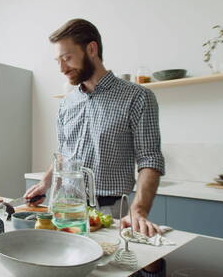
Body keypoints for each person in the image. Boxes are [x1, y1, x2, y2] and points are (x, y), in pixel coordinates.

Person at [24, 19, 166, 275]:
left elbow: (150, 158)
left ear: (91, 49)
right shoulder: (67, 104)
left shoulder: (138, 97)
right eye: (57, 60)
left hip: (111, 211)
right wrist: (45, 184)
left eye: (67, 58)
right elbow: (64, 152)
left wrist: (139, 210)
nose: (61, 68)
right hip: (66, 209)